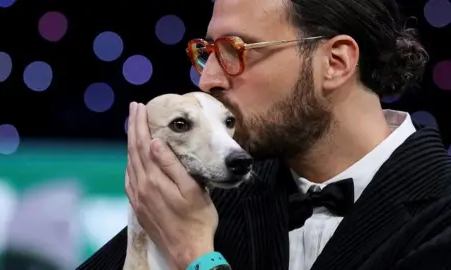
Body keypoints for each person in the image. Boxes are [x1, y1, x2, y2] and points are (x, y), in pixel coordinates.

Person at [77, 0, 451, 269]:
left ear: (335, 63)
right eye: (207, 53)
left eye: (235, 50)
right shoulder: (208, 198)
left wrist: (194, 255)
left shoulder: (440, 209)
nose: (207, 80)